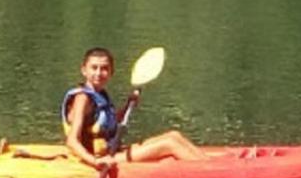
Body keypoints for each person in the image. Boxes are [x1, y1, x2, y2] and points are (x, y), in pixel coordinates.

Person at [61, 47, 207, 168]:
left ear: (111, 72)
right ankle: (210, 173)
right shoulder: (82, 99)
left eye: (104, 68)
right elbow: (72, 141)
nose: (99, 73)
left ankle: (211, 165)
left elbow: (105, 124)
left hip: (111, 152)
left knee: (174, 136)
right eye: (94, 68)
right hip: (97, 158)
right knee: (169, 144)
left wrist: (127, 106)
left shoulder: (99, 94)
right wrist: (95, 162)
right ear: (84, 70)